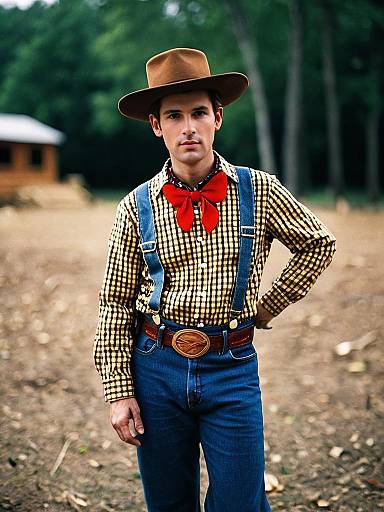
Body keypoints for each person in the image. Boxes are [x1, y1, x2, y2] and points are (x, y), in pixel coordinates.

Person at [93, 47, 336, 512]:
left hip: (232, 365)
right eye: (175, 115)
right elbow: (115, 302)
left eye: (199, 112)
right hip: (156, 364)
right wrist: (120, 390)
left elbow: (318, 244)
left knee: (241, 503)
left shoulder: (258, 189)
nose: (188, 127)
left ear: (217, 117)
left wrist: (267, 306)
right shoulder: (135, 206)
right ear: (156, 125)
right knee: (168, 503)